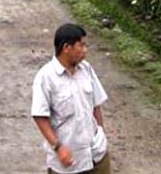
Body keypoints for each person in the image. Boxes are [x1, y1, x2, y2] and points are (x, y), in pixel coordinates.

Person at [31, 24, 110, 174]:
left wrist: (101, 133)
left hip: (96, 154)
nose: (85, 51)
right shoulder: (46, 77)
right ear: (67, 48)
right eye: (81, 46)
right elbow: (40, 116)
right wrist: (58, 148)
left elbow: (96, 105)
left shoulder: (86, 69)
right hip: (68, 161)